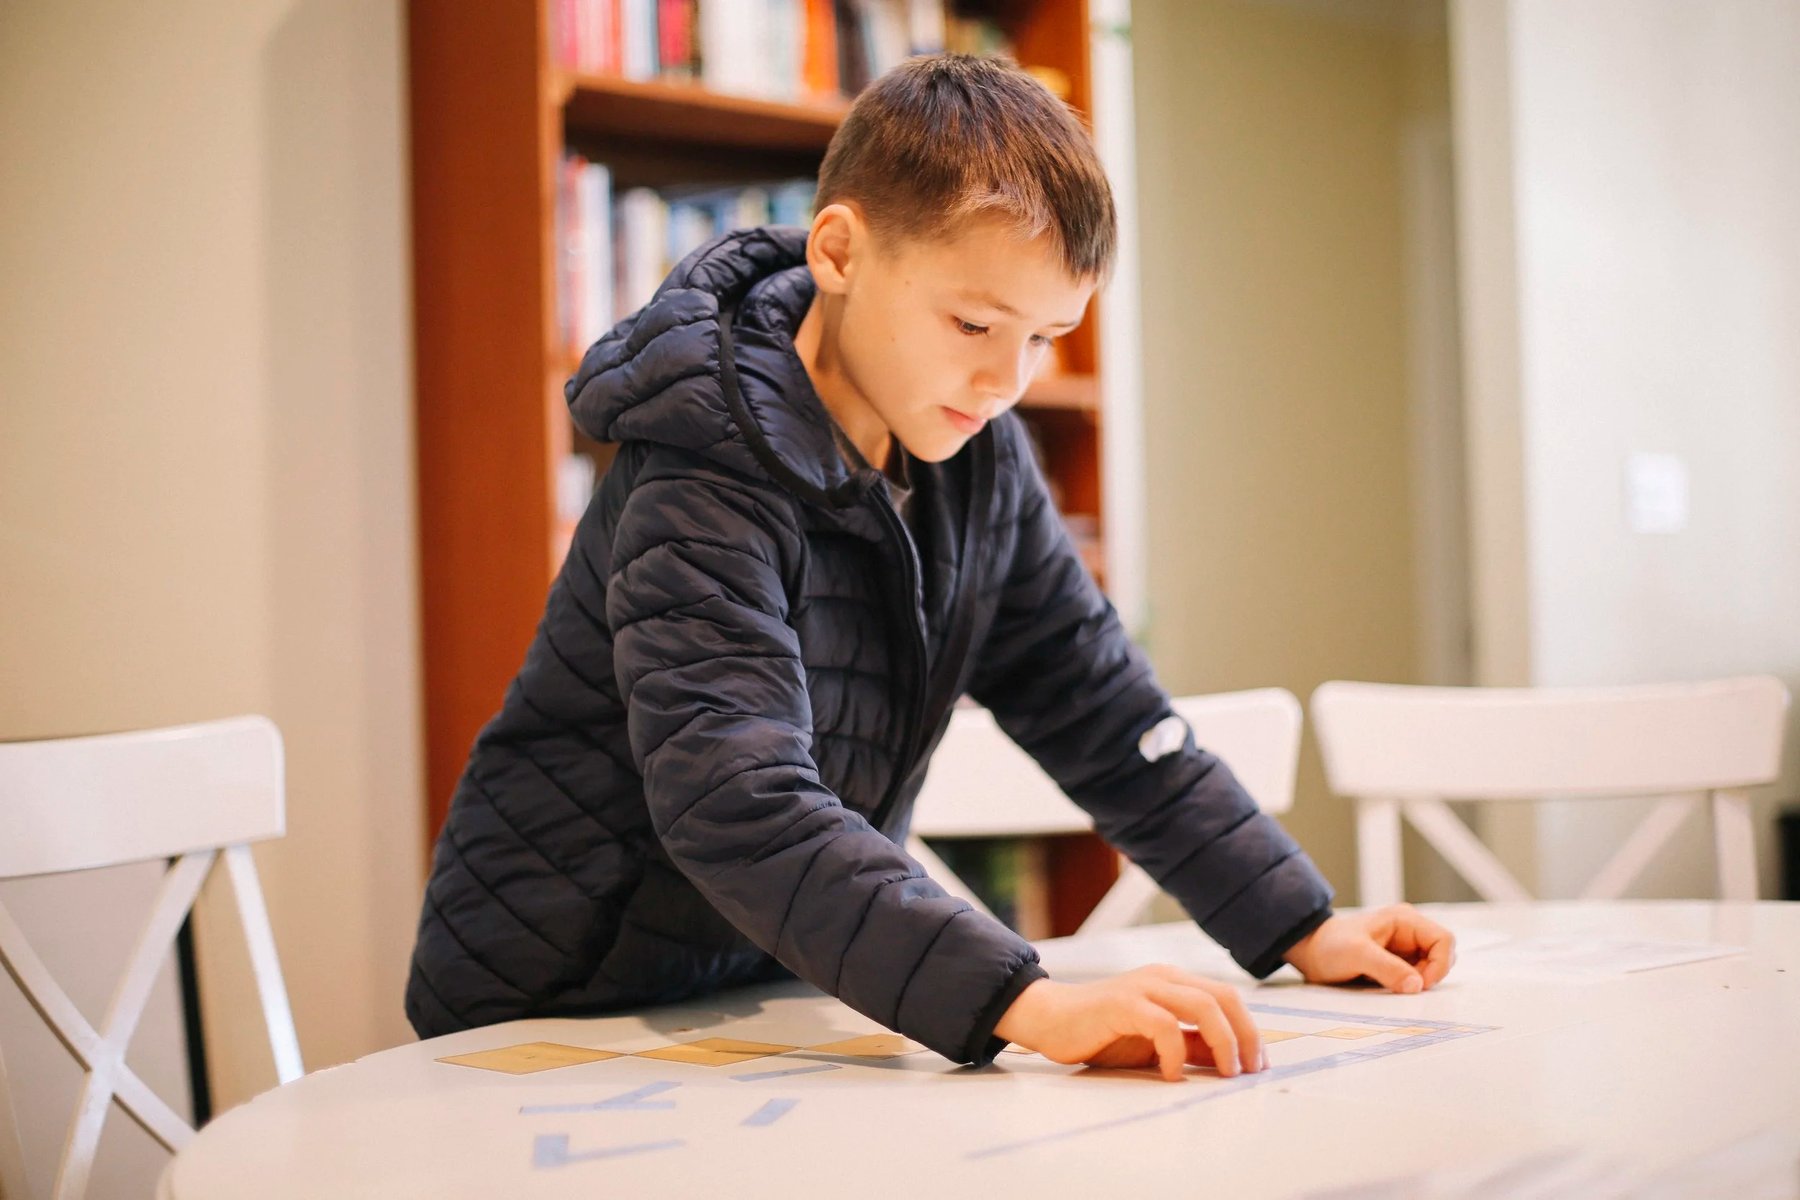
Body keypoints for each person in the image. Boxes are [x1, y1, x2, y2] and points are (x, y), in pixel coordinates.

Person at [405, 52, 1455, 1083]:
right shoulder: (703, 471)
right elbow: (741, 805)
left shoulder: (972, 451)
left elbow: (1100, 707)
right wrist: (1025, 1003)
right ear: (840, 252)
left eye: (1045, 337)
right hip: (552, 1015)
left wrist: (1298, 923)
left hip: (759, 994)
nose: (1006, 379)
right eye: (973, 323)